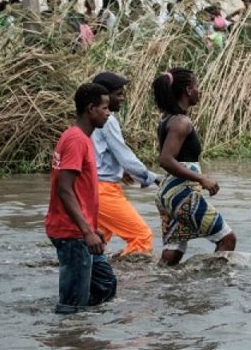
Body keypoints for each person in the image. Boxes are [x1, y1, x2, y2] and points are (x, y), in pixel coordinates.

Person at [45, 83, 117, 314]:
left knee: (105, 285)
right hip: (72, 233)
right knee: (72, 306)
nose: (109, 112)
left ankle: (88, 336)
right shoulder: (76, 139)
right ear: (90, 109)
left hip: (81, 231)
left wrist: (91, 229)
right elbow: (64, 189)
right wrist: (86, 231)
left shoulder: (81, 138)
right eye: (105, 108)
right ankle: (70, 338)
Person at [153, 68, 236, 266]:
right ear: (189, 90)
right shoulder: (181, 122)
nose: (200, 91)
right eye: (197, 87)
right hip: (182, 195)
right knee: (227, 239)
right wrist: (201, 178)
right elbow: (166, 159)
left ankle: (161, 288)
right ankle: (212, 288)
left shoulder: (167, 119)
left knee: (173, 253)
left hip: (168, 194)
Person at [90, 72, 159, 257]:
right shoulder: (108, 120)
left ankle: (97, 276)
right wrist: (152, 178)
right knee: (141, 236)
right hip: (104, 191)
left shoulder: (90, 119)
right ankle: (129, 283)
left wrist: (120, 172)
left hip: (92, 188)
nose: (122, 98)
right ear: (105, 96)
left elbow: (100, 155)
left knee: (97, 242)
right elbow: (125, 156)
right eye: (118, 94)